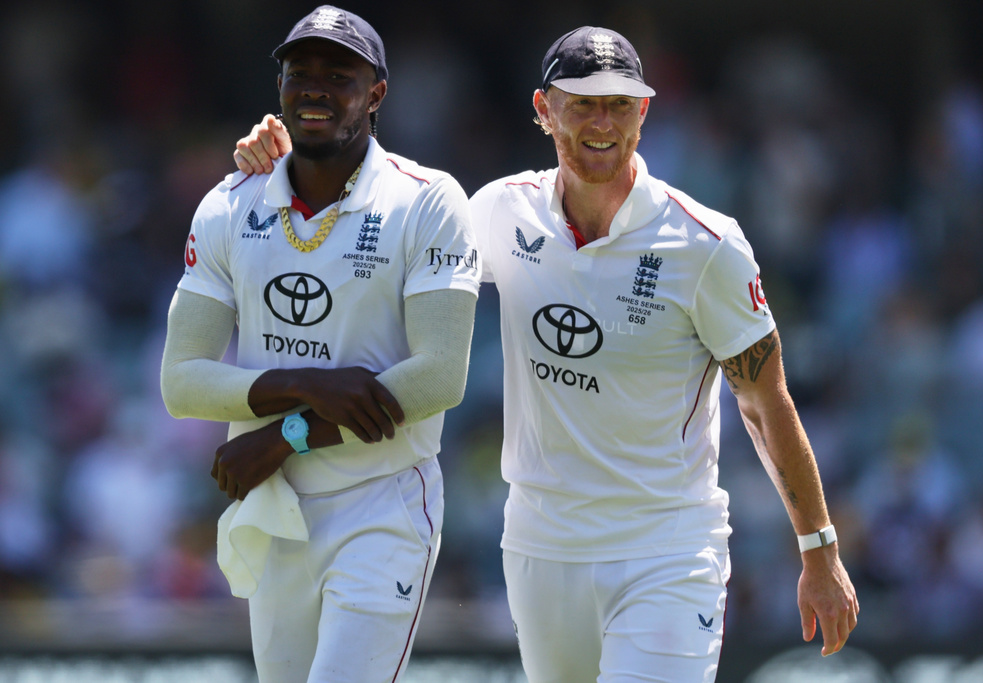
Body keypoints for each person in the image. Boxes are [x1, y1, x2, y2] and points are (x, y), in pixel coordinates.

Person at [234, 25, 858, 683]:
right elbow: (387, 244)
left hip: (667, 550)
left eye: (619, 104)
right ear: (543, 109)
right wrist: (289, 159)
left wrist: (819, 549)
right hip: (540, 547)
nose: (601, 122)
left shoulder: (707, 245)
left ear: (643, 112)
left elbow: (765, 401)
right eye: (581, 102)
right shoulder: (502, 212)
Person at [160, 6, 480, 682]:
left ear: (377, 93)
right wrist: (307, 382)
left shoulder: (427, 201)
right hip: (274, 506)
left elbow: (439, 379)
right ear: (279, 86)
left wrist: (286, 433)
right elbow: (181, 381)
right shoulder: (228, 205)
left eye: (339, 76)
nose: (315, 89)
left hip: (382, 499)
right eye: (299, 73)